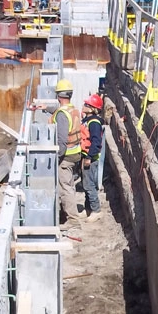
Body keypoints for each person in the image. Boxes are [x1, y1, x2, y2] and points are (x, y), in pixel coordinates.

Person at [50, 80, 84, 227]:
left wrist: (55, 159)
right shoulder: (73, 109)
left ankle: (72, 220)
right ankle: (70, 214)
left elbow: (62, 141)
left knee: (65, 188)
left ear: (58, 96)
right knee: (69, 185)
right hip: (76, 152)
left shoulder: (62, 115)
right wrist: (46, 108)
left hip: (66, 156)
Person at [81, 92, 104, 222]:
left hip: (91, 158)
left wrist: (89, 156)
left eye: (86, 104)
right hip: (86, 156)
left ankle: (96, 210)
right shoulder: (87, 121)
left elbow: (96, 142)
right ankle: (88, 209)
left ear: (92, 108)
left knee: (89, 185)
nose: (83, 106)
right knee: (86, 184)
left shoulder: (94, 123)